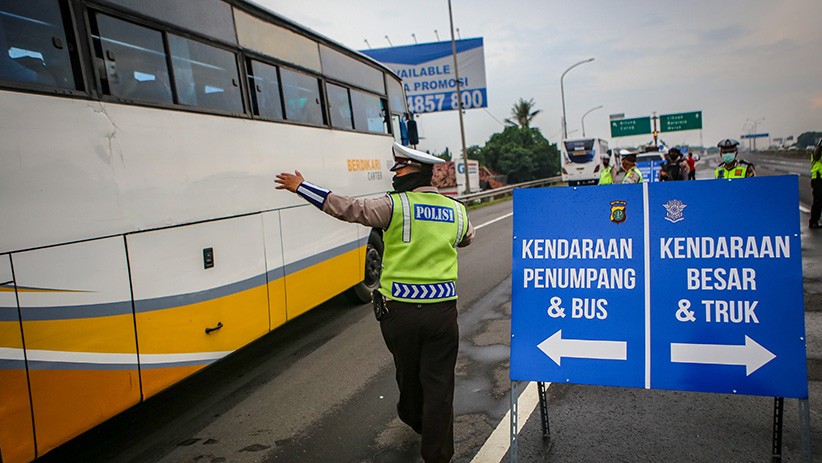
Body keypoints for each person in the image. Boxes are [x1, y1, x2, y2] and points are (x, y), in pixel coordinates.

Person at [275, 142, 475, 463]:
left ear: (412, 172)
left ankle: (414, 417)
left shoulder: (394, 206)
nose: (395, 176)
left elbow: (350, 209)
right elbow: (467, 237)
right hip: (442, 315)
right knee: (439, 385)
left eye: (400, 170)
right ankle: (438, 454)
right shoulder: (456, 210)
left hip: (401, 314)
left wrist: (302, 187)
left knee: (408, 376)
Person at [810, 139, 822, 229]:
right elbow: (817, 157)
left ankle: (814, 221)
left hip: (818, 179)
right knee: (818, 202)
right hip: (818, 179)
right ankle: (813, 221)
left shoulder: (816, 152)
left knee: (818, 202)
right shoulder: (817, 153)